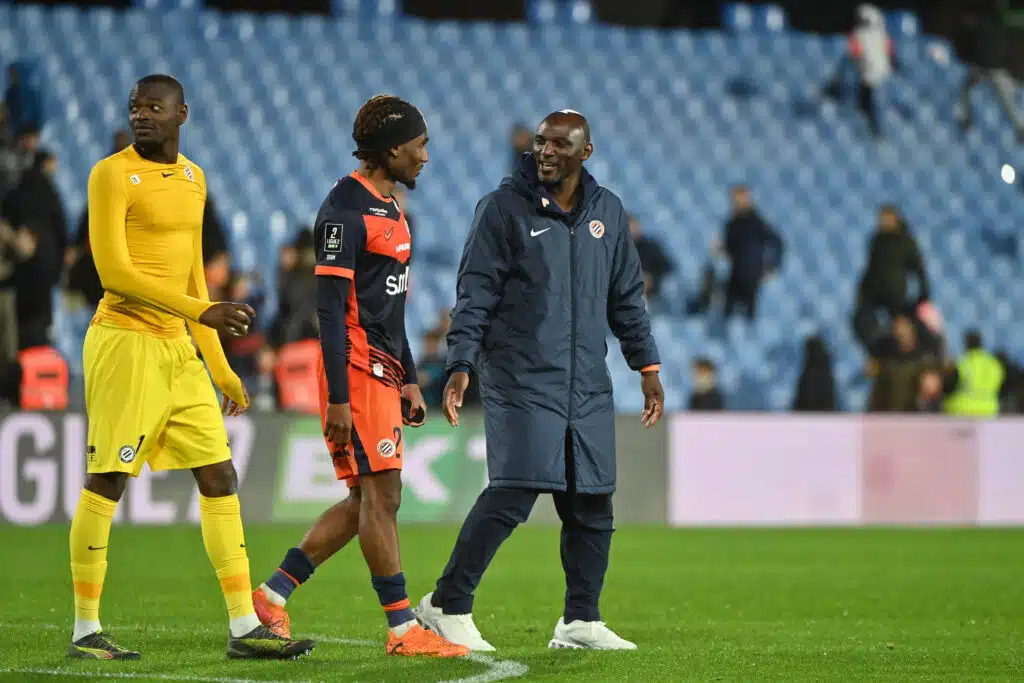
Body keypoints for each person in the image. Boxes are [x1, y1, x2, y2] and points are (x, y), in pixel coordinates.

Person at [67, 74, 315, 661]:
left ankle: (242, 628)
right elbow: (115, 275)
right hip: (124, 342)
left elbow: (193, 277)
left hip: (178, 349)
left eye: (155, 107)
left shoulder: (194, 178)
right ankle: (84, 630)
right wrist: (202, 311)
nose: (142, 115)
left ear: (183, 114)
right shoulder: (110, 173)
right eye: (136, 107)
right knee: (108, 479)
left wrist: (220, 365)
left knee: (219, 476)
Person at [413, 110, 664, 651]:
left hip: (586, 382)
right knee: (515, 489)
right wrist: (460, 362)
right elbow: (474, 291)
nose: (546, 151)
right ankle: (446, 603)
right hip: (521, 376)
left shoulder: (608, 212)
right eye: (541, 143)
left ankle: (580, 621)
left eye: (559, 144)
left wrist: (647, 365)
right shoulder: (503, 209)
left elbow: (626, 298)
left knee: (592, 502)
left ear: (585, 152)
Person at [250, 95, 468, 658]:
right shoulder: (342, 210)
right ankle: (402, 630)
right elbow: (330, 311)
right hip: (353, 368)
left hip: (383, 368)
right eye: (419, 146)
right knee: (382, 495)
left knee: (365, 499)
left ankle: (272, 595)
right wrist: (340, 399)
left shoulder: (393, 211)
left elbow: (391, 308)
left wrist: (411, 378)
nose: (425, 157)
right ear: (392, 148)